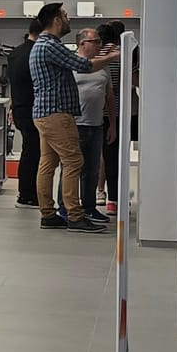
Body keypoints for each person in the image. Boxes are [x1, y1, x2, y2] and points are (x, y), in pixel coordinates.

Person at [29, 3, 118, 232]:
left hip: (46, 112)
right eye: (65, 16)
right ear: (56, 20)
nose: (68, 20)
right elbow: (83, 65)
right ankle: (75, 216)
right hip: (56, 112)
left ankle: (48, 214)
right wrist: (114, 56)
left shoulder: (43, 45)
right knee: (74, 161)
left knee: (48, 163)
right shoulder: (50, 45)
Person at [73, 27, 108, 222]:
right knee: (71, 169)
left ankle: (89, 207)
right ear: (82, 43)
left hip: (96, 125)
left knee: (92, 170)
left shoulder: (102, 67)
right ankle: (67, 207)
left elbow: (110, 96)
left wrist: (112, 124)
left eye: (99, 41)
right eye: (95, 42)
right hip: (75, 125)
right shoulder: (70, 64)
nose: (99, 45)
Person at [9, 21, 41, 207]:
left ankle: (27, 193)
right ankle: (27, 195)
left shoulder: (16, 53)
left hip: (19, 107)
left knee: (29, 150)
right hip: (33, 107)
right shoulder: (36, 53)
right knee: (34, 152)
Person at [97, 19, 126, 213]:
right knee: (113, 158)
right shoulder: (121, 56)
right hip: (114, 113)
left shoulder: (94, 57)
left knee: (95, 157)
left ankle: (96, 194)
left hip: (92, 114)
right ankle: (113, 200)